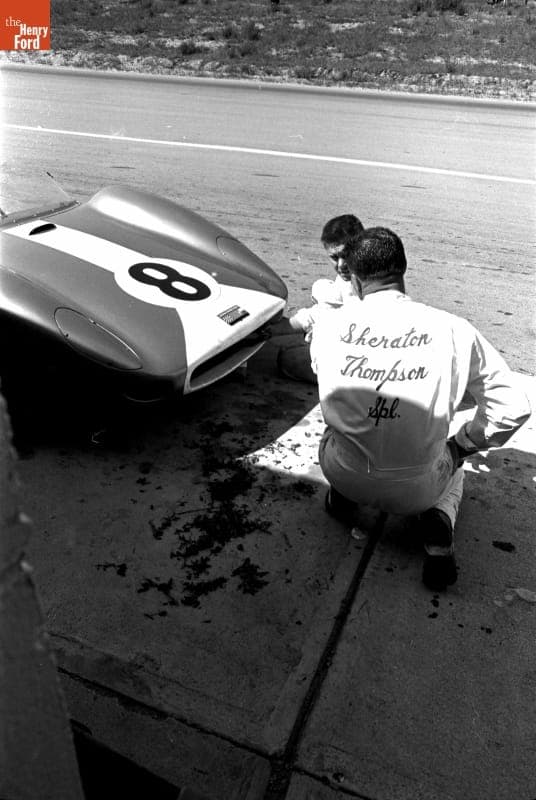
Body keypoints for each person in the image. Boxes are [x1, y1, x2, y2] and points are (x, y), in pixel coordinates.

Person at [309, 226, 531, 591]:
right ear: (403, 270)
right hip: (417, 489)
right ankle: (439, 525)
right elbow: (512, 406)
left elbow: (324, 379)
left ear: (357, 281)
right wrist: (463, 444)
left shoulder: (329, 326)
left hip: (342, 469)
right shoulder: (454, 330)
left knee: (340, 429)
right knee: (452, 456)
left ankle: (345, 497)